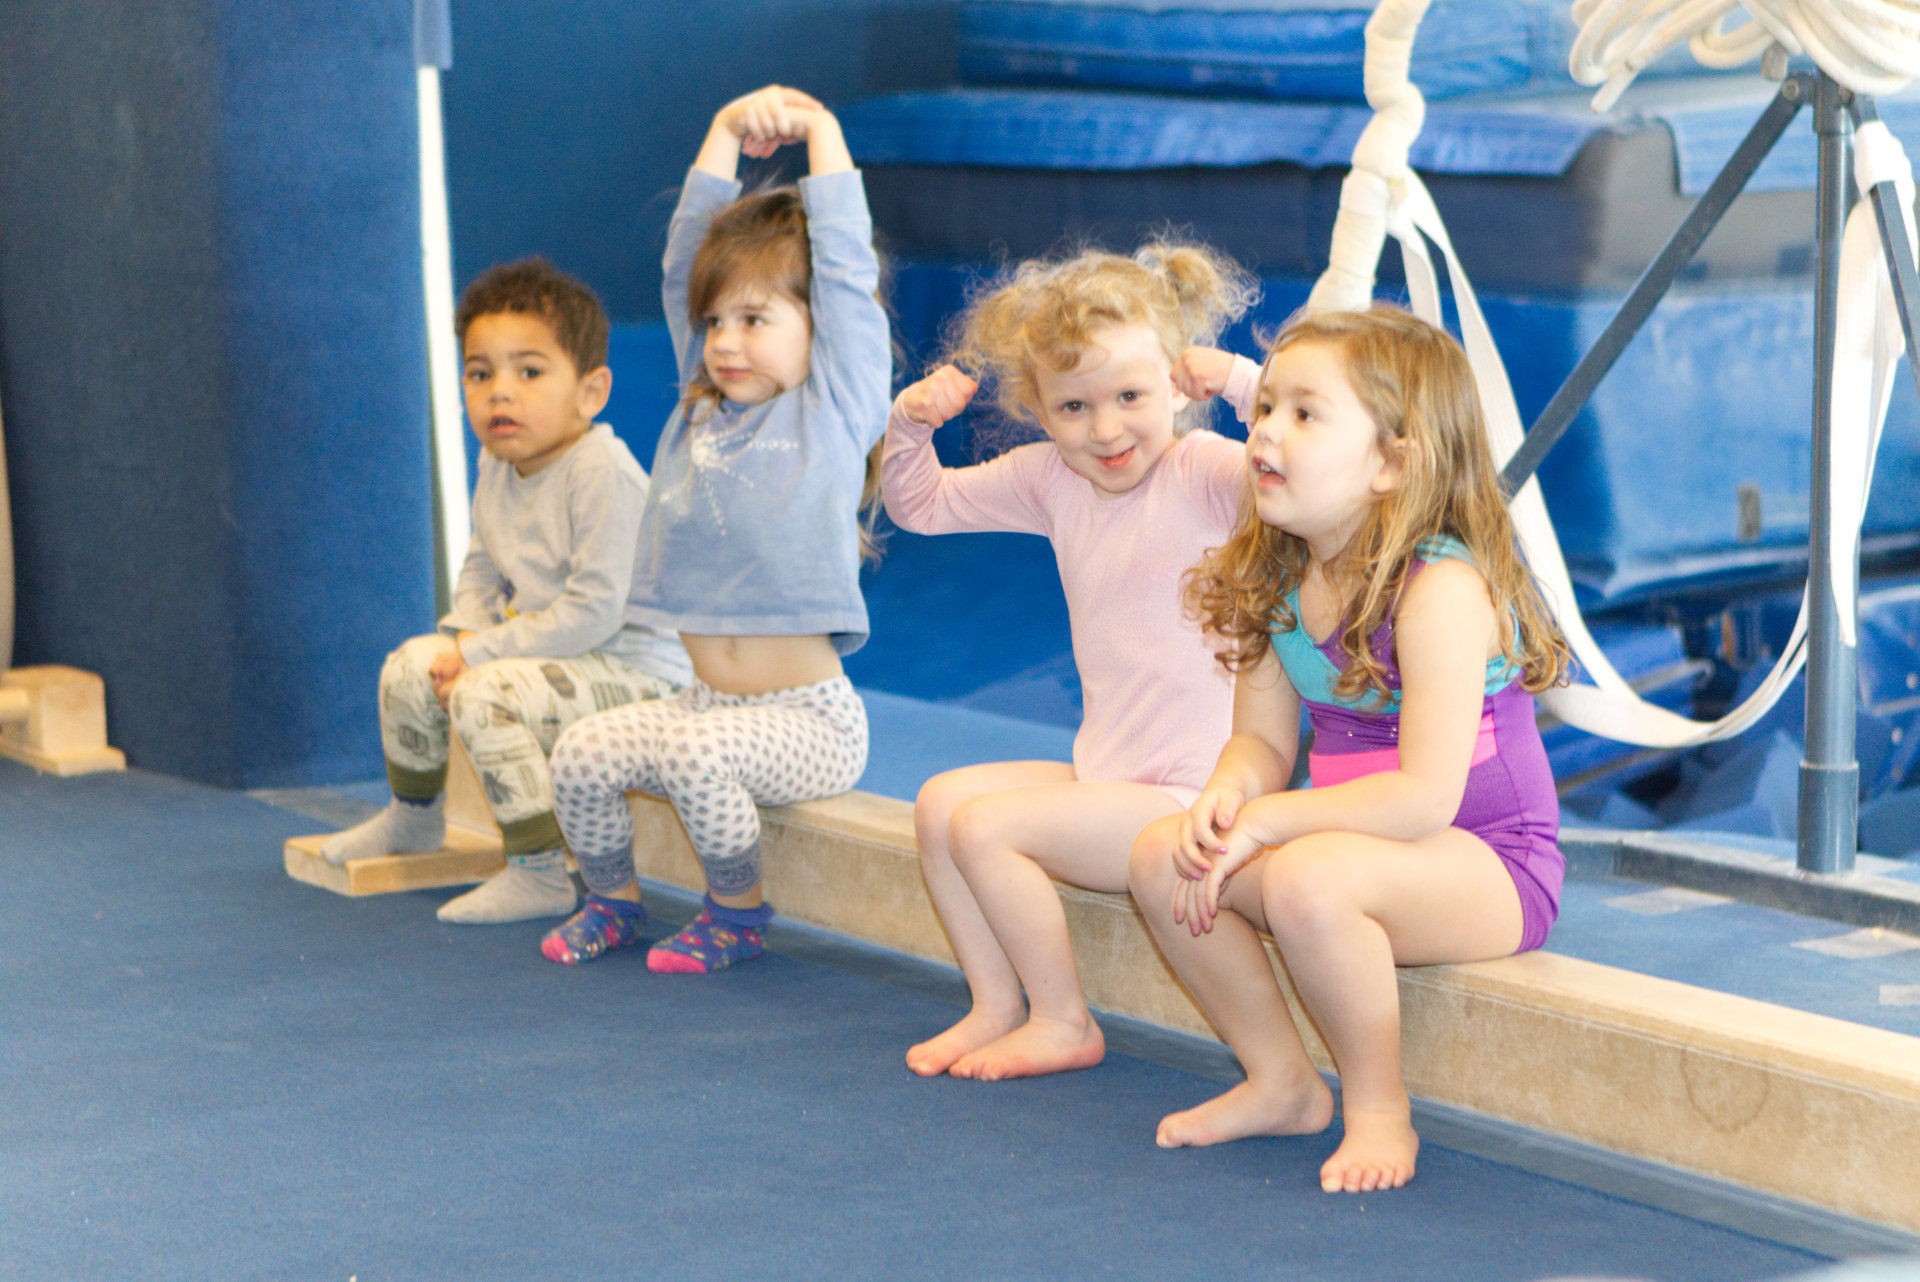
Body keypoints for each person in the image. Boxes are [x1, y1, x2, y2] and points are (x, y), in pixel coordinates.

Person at [1127, 306, 1571, 1193]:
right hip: (1365, 850)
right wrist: (1229, 794)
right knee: (1159, 857)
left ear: (1391, 464)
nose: (1265, 433)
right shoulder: (1279, 574)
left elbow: (1423, 798)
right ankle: (1281, 1081)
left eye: (1304, 413)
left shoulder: (1440, 586)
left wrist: (1271, 822)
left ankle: (1378, 1107)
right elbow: (1259, 740)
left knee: (1306, 878)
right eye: (1264, 411)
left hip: (1489, 862)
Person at [882, 243, 1258, 1081]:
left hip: (1193, 797)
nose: (1107, 428)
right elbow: (922, 505)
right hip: (1110, 775)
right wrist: (908, 426)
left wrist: (1236, 377)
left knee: (988, 826)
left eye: (1130, 395)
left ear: (1173, 380)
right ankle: (995, 1003)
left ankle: (1062, 1019)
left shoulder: (1206, 474)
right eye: (1075, 406)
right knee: (942, 804)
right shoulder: (1052, 477)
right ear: (1041, 411)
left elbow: (1309, 455)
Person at [538, 85, 891, 973]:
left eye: (756, 319)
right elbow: (681, 266)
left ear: (818, 332)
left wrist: (823, 135)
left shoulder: (835, 408)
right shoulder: (703, 406)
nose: (727, 342)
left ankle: (736, 912)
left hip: (807, 721)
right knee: (581, 751)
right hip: (707, 705)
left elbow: (846, 271)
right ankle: (612, 900)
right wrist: (723, 133)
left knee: (695, 756)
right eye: (716, 321)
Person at [320, 259, 690, 925]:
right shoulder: (499, 462)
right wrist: (461, 637)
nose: (500, 394)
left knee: (484, 690)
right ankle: (414, 818)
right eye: (480, 373)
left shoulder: (602, 471)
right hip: (559, 656)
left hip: (639, 673)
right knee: (410, 664)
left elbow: (594, 612)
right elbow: (482, 568)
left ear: (591, 390)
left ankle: (540, 869)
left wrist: (482, 655)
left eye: (530, 371)